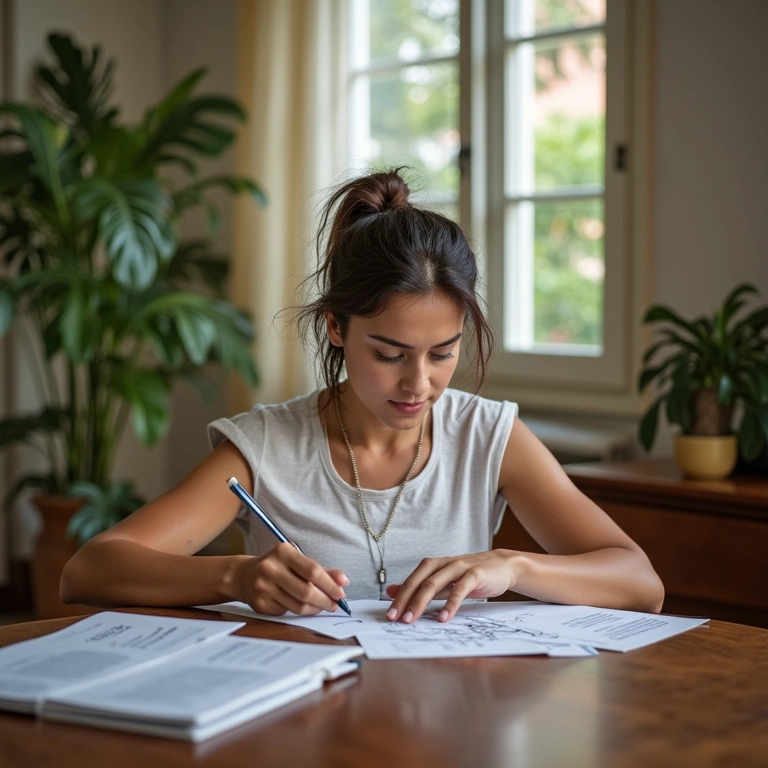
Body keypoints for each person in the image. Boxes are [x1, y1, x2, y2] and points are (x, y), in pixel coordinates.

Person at [61, 169, 664, 623]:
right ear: (335, 327)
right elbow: (89, 570)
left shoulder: (488, 436)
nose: (419, 384)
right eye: (390, 354)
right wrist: (237, 577)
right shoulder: (266, 446)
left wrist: (515, 565)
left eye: (443, 352)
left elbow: (641, 582)